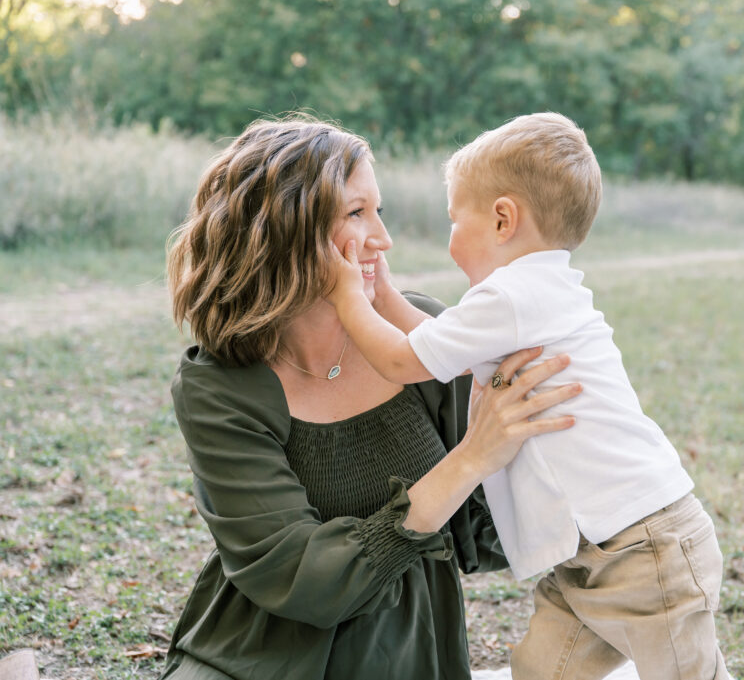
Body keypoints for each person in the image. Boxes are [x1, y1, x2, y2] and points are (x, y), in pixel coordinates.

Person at [161, 116, 581, 680]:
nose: (382, 238)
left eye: (377, 211)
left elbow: (483, 535)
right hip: (256, 657)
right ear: (286, 228)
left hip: (404, 653)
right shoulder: (219, 386)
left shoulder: (425, 337)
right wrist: (472, 457)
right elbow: (303, 579)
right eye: (357, 213)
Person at [328, 112, 732, 680]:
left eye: (453, 220)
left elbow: (402, 360)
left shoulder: (512, 299)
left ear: (502, 219)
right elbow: (427, 342)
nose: (450, 238)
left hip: (647, 549)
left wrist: (348, 295)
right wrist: (384, 291)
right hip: (588, 555)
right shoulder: (533, 293)